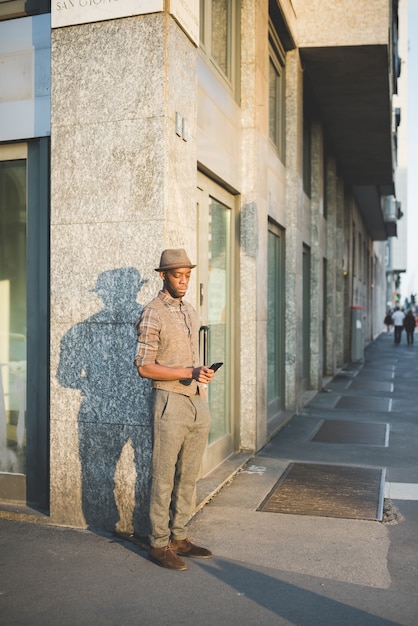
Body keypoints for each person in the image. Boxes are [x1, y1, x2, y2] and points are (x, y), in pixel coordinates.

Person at [135, 248, 217, 571]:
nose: (183, 282)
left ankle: (179, 535)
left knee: (189, 474)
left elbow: (190, 358)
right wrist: (187, 372)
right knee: (163, 475)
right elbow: (144, 367)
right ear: (163, 276)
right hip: (168, 401)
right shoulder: (152, 313)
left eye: (187, 276)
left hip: (197, 401)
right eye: (177, 276)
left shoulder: (190, 312)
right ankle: (158, 543)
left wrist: (202, 376)